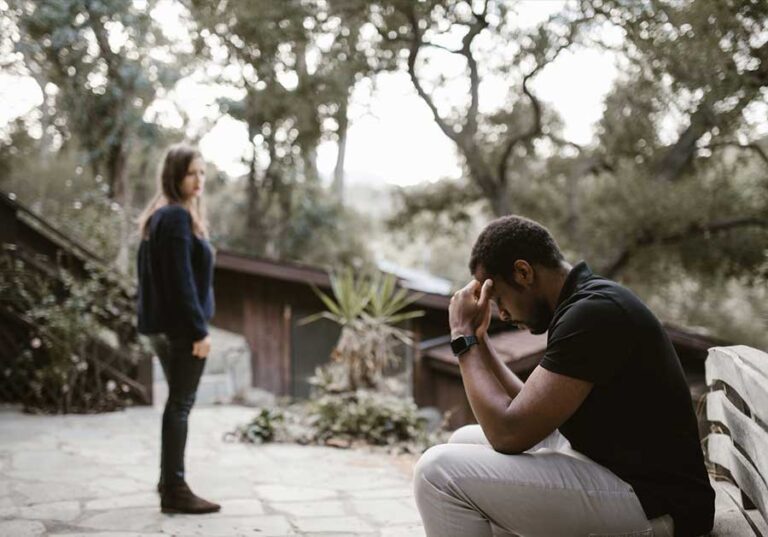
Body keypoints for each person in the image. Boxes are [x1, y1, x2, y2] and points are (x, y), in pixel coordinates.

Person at [414, 215, 714, 537]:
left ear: (523, 272)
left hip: (658, 503)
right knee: (463, 440)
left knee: (438, 472)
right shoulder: (583, 303)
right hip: (620, 473)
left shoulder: (593, 313)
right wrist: (480, 340)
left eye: (499, 298)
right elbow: (525, 409)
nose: (502, 313)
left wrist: (462, 337)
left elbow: (509, 433)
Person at [136, 143, 219, 514]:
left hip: (168, 328)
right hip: (181, 331)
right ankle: (175, 489)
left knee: (177, 404)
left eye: (202, 172)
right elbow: (180, 281)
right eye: (191, 173)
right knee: (180, 405)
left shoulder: (163, 216)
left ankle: (169, 482)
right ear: (175, 175)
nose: (198, 180)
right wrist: (199, 330)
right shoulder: (174, 218)